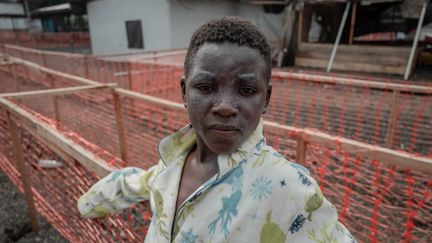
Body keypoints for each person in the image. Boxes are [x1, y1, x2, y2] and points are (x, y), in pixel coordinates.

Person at [78, 16, 356, 243]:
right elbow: (138, 183)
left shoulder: (291, 189)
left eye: (246, 90)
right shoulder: (171, 165)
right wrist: (88, 205)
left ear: (266, 99)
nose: (224, 106)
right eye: (206, 87)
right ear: (184, 92)